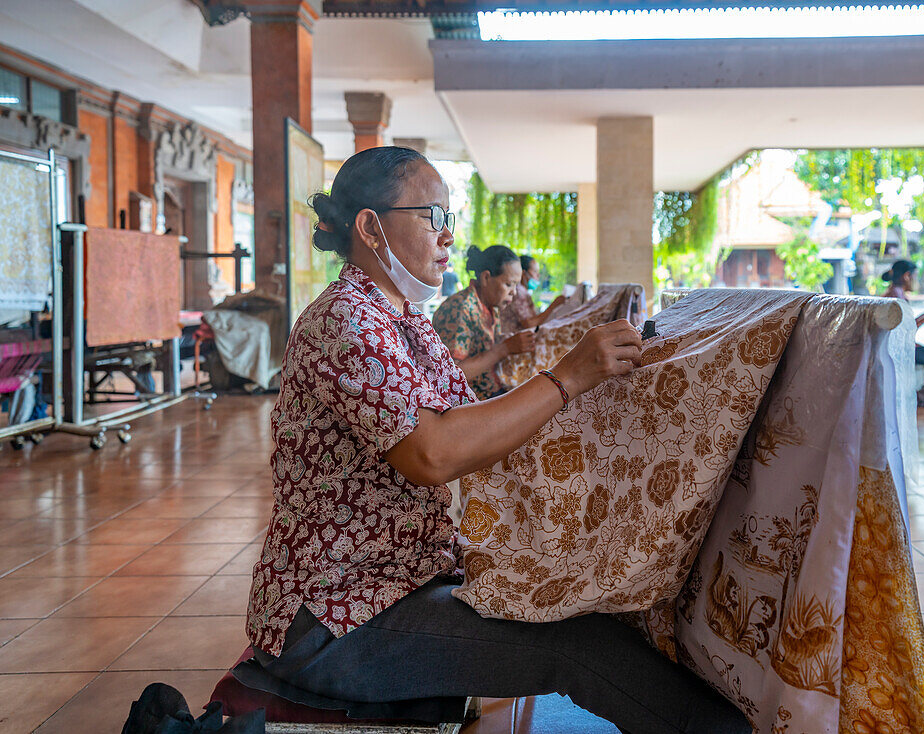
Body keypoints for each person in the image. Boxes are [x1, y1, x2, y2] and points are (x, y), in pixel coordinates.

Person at [245, 146, 749, 734]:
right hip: (336, 619)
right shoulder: (348, 320)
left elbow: (476, 426)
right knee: (578, 644)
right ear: (369, 227)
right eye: (433, 217)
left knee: (591, 593)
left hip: (397, 580)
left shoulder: (404, 320)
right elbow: (433, 453)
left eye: (449, 220)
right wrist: (566, 378)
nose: (448, 237)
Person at [432, 245, 534, 400]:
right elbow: (451, 376)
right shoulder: (460, 309)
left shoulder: (491, 306)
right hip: (466, 405)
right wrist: (504, 348)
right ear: (486, 278)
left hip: (491, 392)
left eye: (516, 285)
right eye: (508, 284)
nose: (514, 292)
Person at [500, 255, 566, 335]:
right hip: (513, 341)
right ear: (523, 273)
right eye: (535, 272)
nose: (538, 276)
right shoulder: (518, 292)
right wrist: (553, 306)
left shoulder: (524, 292)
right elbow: (529, 324)